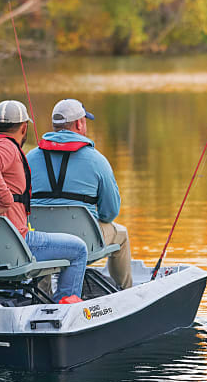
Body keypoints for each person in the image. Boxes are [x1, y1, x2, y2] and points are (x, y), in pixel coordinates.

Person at [0, 99, 88, 302]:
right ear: (24, 128)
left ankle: (32, 299)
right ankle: (65, 307)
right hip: (15, 243)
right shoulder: (6, 147)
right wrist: (5, 199)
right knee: (78, 249)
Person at [26, 98, 133, 290]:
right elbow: (110, 213)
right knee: (122, 235)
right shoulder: (97, 160)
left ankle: (42, 294)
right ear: (79, 123)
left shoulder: (29, 158)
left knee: (40, 236)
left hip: (41, 243)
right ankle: (125, 292)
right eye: (85, 121)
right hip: (85, 242)